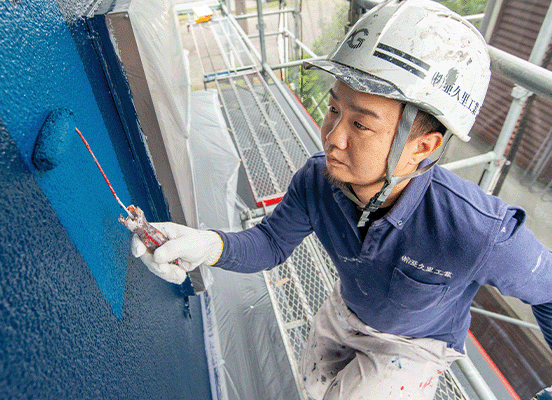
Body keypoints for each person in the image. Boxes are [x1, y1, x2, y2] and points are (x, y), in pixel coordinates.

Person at [131, 0, 552, 398]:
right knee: (315, 386)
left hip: (415, 346)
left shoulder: (479, 231)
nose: (332, 137)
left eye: (360, 125)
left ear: (423, 146)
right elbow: (272, 243)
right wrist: (208, 245)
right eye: (334, 109)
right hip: (348, 309)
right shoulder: (318, 180)